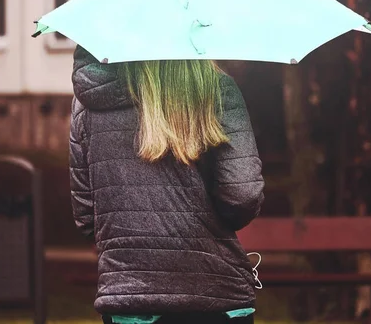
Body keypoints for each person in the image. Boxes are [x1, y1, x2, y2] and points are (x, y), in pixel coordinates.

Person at [69, 46, 265, 324]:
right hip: (215, 293)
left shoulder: (87, 103)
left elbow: (86, 217)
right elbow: (242, 196)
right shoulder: (217, 89)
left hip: (129, 298)